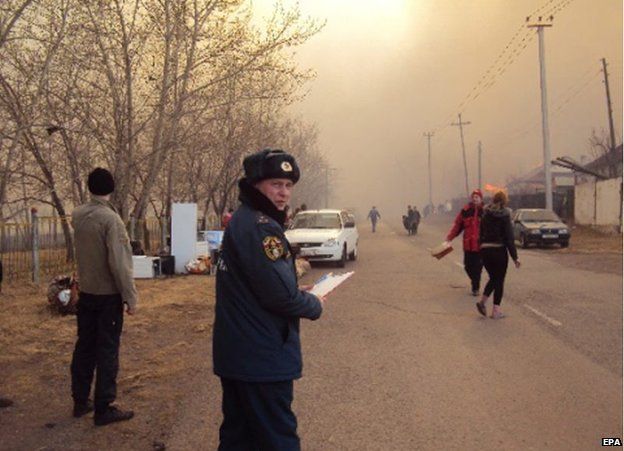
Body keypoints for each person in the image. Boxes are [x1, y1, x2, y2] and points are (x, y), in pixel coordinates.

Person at [213, 149, 324, 450]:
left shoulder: (243, 220)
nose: (283, 193)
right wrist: (314, 304)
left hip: (238, 352)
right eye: (276, 184)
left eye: (288, 186)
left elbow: (261, 283)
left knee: (239, 438)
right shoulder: (262, 228)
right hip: (261, 356)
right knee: (278, 438)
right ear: (255, 184)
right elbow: (281, 297)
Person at [70, 168, 137, 426]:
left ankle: (80, 400)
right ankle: (104, 407)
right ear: (111, 187)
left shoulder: (79, 215)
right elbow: (119, 263)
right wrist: (130, 297)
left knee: (84, 346)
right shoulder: (110, 220)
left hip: (87, 292)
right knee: (107, 350)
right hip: (107, 296)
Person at [476, 190, 521, 319]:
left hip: (486, 251)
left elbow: (480, 235)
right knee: (499, 280)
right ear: (505, 202)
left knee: (494, 278)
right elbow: (509, 238)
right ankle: (496, 311)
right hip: (499, 251)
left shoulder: (485, 215)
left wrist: (481, 251)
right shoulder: (505, 216)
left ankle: (482, 302)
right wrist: (515, 257)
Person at [446, 189, 484, 296]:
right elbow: (457, 226)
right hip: (468, 245)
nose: (475, 199)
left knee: (478, 267)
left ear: (481, 199)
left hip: (480, 246)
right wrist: (449, 237)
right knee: (467, 266)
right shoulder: (465, 211)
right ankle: (475, 281)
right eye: (473, 197)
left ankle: (475, 287)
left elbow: (492, 228)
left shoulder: (485, 211)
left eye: (477, 197)